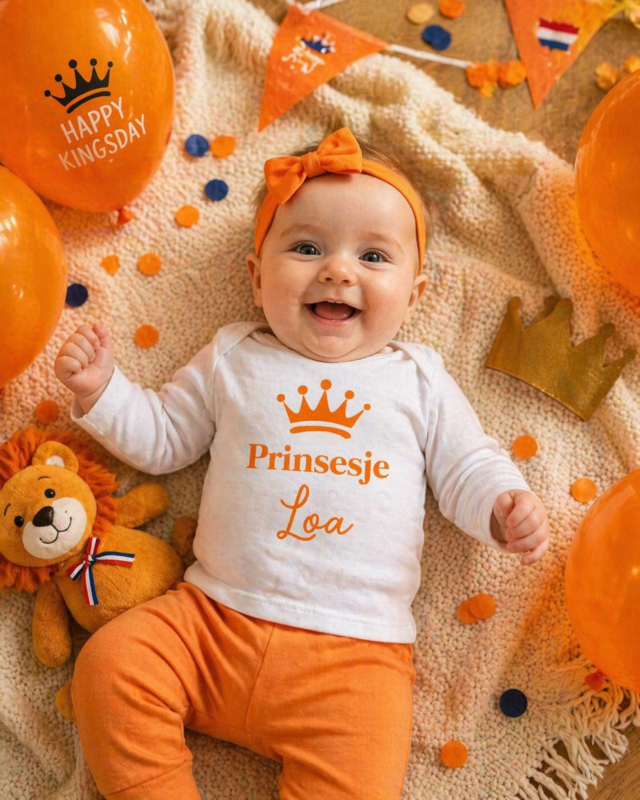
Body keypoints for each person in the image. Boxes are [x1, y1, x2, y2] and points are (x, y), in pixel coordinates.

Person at [54, 127, 550, 800]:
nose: (338, 271)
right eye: (308, 248)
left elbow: (466, 466)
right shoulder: (235, 355)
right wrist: (104, 392)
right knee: (111, 665)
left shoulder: (419, 379)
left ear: (414, 296)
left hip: (354, 662)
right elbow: (165, 437)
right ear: (257, 277)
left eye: (373, 256)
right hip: (209, 623)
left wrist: (502, 504)